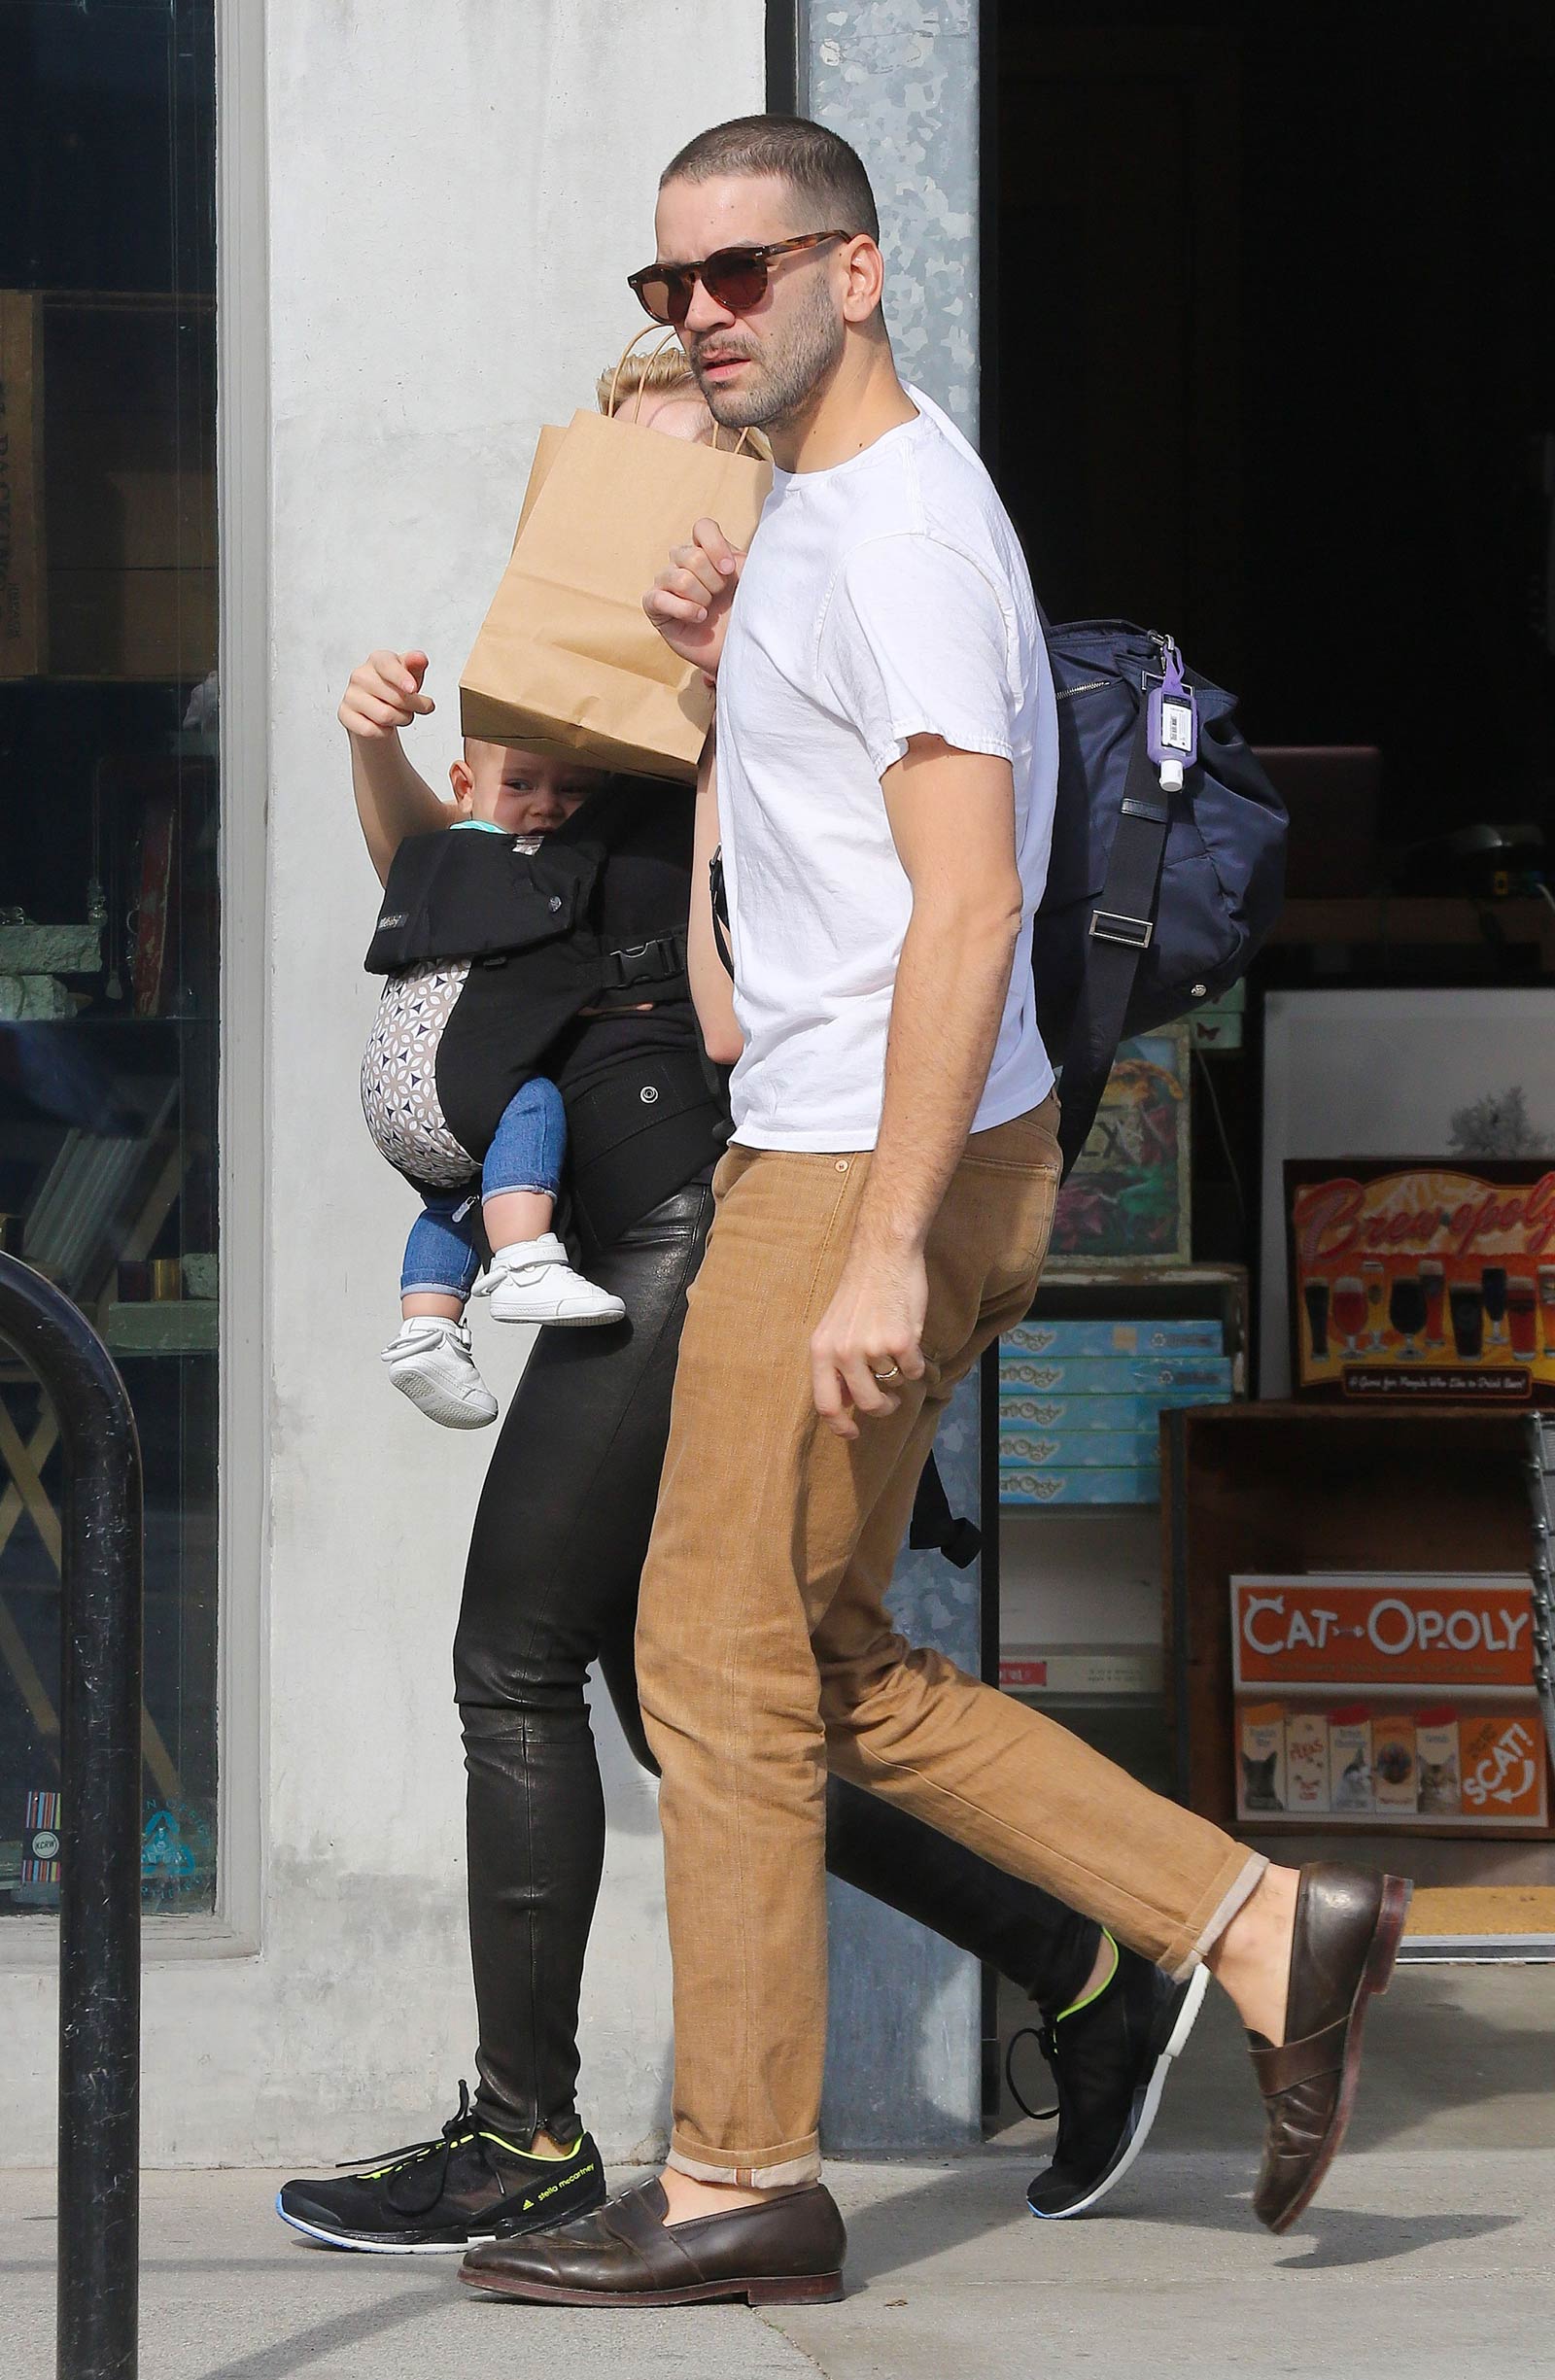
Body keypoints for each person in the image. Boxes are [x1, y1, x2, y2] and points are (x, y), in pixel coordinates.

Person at [459, 118, 1411, 2311]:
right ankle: (1267, 1930)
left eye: (742, 273)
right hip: (838, 1130)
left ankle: (738, 2176)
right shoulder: (811, 520)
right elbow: (793, 898)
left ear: (857, 271)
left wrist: (880, 1239)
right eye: (668, 285)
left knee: (706, 1660)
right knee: (817, 1658)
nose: (701, 315)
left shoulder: (892, 532)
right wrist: (717, 684)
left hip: (857, 1163)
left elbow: (969, 905)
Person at [274, 344, 1205, 2262]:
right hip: (630, 1216)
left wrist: (718, 691)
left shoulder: (779, 671)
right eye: (602, 478)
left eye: (671, 475)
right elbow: (455, 896)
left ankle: (530, 2138)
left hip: (691, 1225)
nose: (627, 525)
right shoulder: (590, 695)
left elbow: (780, 962)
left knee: (531, 1657)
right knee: (696, 1693)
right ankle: (1085, 1964)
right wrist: (382, 744)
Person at [361, 732, 627, 1432]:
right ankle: (523, 1261)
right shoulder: (510, 864)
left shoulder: (428, 870)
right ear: (464, 787)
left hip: (390, 1096)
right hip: (454, 1085)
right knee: (533, 1102)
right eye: (522, 785)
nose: (546, 806)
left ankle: (425, 1331)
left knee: (452, 1199)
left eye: (574, 790)